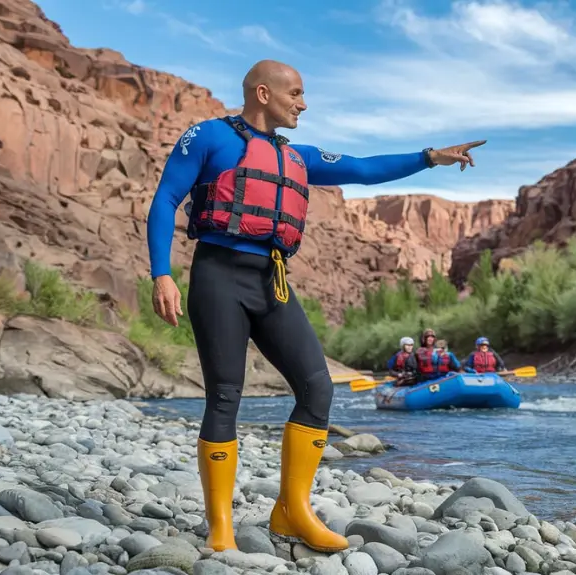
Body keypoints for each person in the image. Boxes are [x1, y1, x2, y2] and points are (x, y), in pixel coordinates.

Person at [146, 59, 486, 553]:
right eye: (297, 94)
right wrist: (162, 274)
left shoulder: (300, 157)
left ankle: (292, 511)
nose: (304, 103)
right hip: (218, 277)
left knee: (316, 386)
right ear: (264, 93)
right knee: (225, 395)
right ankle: (220, 526)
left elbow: (365, 169)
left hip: (273, 282)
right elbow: (164, 201)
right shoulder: (207, 138)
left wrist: (431, 156)